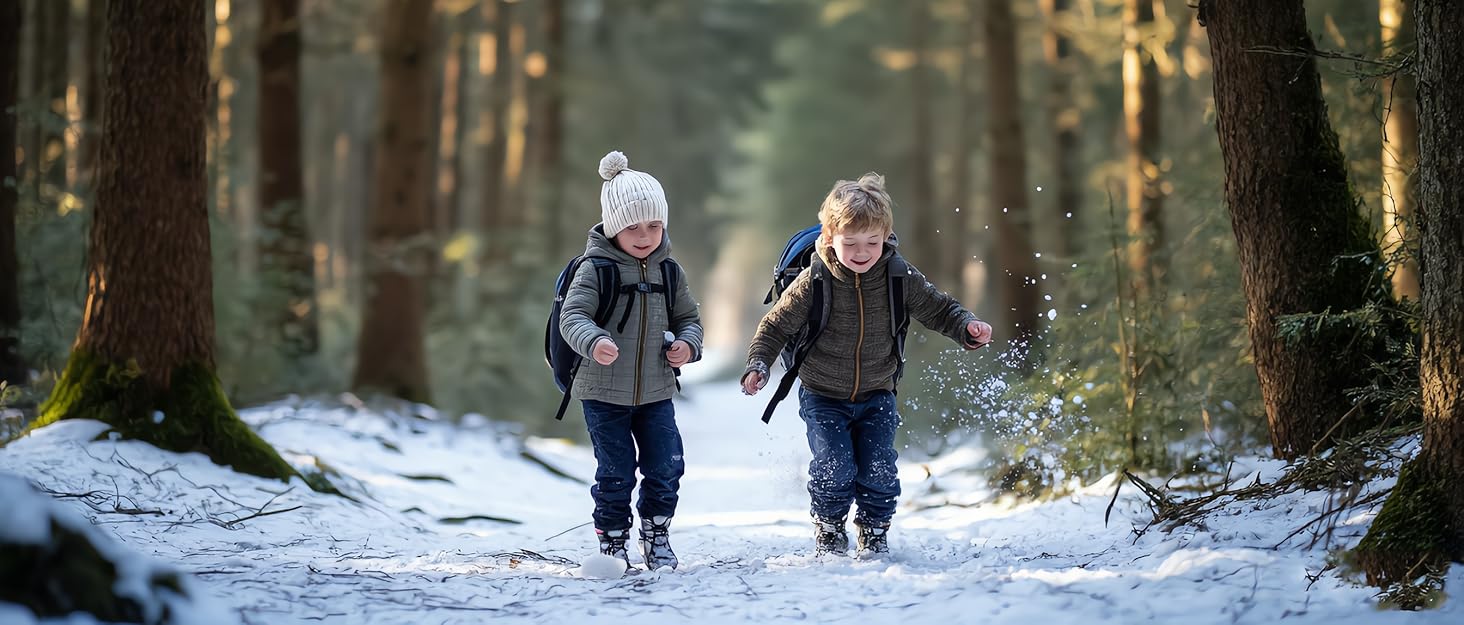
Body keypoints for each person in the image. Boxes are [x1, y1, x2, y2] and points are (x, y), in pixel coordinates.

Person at [741, 172, 992, 557]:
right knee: (834, 467)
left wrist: (966, 327)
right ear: (828, 237)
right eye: (850, 243)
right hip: (822, 393)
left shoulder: (898, 275)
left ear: (887, 236)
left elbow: (938, 308)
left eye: (872, 242)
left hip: (878, 391)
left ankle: (874, 529)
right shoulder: (814, 280)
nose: (862, 252)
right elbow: (775, 324)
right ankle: (828, 525)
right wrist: (759, 362)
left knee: (879, 469)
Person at [559, 150, 703, 571]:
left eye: (654, 225)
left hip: (656, 391)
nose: (644, 235)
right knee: (616, 470)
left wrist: (688, 346)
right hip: (603, 392)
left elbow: (689, 319)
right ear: (613, 227)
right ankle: (613, 541)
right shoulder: (596, 269)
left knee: (667, 464)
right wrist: (593, 340)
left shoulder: (669, 272)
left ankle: (656, 532)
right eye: (632, 227)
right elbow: (573, 315)